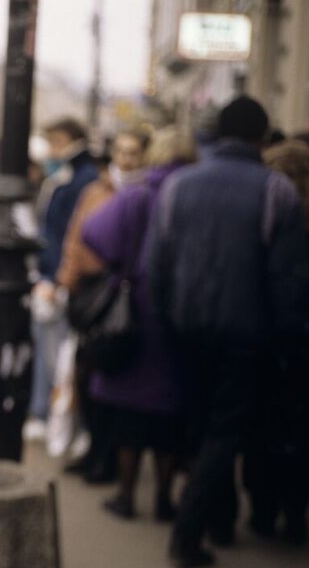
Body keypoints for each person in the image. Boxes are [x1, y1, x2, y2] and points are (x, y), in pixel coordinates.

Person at [147, 95, 309, 568]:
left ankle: (217, 524)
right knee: (224, 432)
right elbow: (289, 277)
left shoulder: (179, 185)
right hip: (246, 333)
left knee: (201, 426)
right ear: (261, 137)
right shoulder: (276, 191)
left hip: (185, 326)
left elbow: (156, 263)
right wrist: (287, 338)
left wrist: (164, 317)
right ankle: (187, 536)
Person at [78, 127, 196, 520]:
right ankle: (164, 497)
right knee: (169, 413)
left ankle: (126, 495)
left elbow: (93, 233)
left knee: (130, 414)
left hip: (134, 313)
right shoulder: (192, 195)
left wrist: (121, 262)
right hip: (180, 315)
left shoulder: (137, 195)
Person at [57, 129, 149, 481]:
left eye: (134, 152)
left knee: (113, 378)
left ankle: (107, 457)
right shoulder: (96, 191)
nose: (126, 159)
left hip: (125, 294)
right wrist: (68, 280)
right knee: (84, 375)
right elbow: (76, 236)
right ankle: (93, 448)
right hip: (92, 292)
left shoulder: (143, 194)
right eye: (121, 151)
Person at [242, 139, 309, 545]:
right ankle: (293, 511)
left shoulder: (265, 220)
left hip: (265, 338)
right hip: (308, 345)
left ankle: (263, 510)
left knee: (259, 424)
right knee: (303, 426)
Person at [25, 117, 98, 441]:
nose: (51, 148)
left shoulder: (81, 177)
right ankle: (46, 413)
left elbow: (70, 233)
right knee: (48, 349)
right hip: (50, 274)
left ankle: (66, 421)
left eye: (56, 140)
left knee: (60, 355)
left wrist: (56, 278)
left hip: (61, 279)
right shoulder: (63, 175)